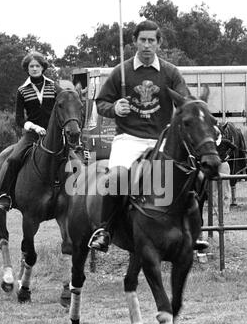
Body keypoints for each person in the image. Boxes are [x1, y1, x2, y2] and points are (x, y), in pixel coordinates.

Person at [88, 19, 208, 252]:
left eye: (151, 40)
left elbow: (184, 101)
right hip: (128, 139)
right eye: (142, 40)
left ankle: (193, 231)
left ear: (158, 44)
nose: (146, 45)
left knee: (198, 177)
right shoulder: (120, 72)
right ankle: (105, 230)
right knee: (118, 177)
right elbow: (100, 102)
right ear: (134, 42)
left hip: (161, 140)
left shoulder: (170, 72)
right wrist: (114, 108)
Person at [0, 52, 61, 211]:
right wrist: (35, 127)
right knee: (14, 159)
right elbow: (19, 119)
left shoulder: (53, 86)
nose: (34, 68)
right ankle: (5, 196)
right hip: (32, 134)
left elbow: (64, 105)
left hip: (54, 134)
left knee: (73, 158)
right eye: (31, 66)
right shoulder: (22, 90)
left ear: (43, 67)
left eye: (37, 65)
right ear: (27, 69)